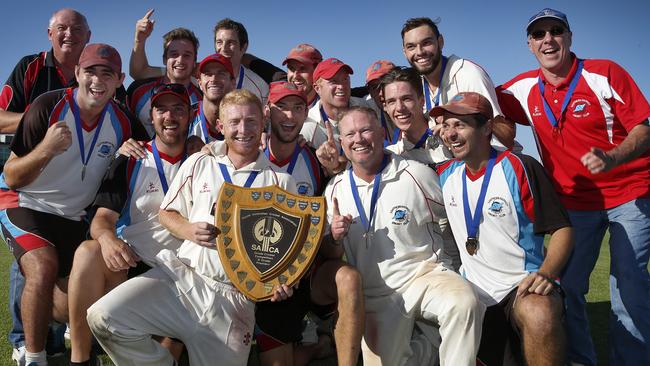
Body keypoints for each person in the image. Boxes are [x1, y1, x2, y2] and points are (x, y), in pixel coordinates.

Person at [86, 89, 294, 365]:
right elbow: (166, 213)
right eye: (234, 122)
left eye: (251, 121)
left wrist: (284, 281)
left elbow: (288, 251)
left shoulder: (281, 182)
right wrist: (187, 230)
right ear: (221, 126)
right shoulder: (200, 162)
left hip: (234, 302)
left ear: (263, 123)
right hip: (184, 281)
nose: (243, 129)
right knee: (103, 316)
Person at [496, 8, 650, 365]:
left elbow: (644, 128)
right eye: (539, 34)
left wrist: (612, 157)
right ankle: (582, 360)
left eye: (556, 31)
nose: (548, 39)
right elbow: (480, 98)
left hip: (629, 192)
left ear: (569, 37)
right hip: (575, 203)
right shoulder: (521, 88)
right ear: (530, 45)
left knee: (627, 287)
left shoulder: (604, 73)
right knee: (568, 289)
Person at [0, 43, 143, 366]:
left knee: (69, 305)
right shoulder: (46, 106)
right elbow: (11, 176)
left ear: (119, 80)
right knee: (42, 264)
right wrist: (46, 149)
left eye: (107, 74)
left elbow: (156, 145)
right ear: (77, 73)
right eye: (90, 71)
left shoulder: (123, 121)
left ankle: (46, 318)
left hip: (73, 215)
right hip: (25, 202)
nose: (97, 81)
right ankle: (33, 357)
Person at [324, 106, 484, 365]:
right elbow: (330, 254)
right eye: (350, 134)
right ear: (342, 142)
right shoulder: (336, 189)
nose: (359, 139)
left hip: (424, 276)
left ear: (380, 132)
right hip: (375, 296)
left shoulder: (415, 173)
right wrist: (334, 237)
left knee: (464, 302)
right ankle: (430, 349)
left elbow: (456, 215)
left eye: (366, 130)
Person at [433, 92, 573, 365]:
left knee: (539, 313)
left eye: (460, 125)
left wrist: (546, 273)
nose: (451, 134)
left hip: (521, 285)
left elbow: (562, 229)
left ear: (486, 128)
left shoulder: (520, 167)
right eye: (447, 125)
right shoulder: (443, 174)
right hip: (473, 290)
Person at [67, 83, 191, 366]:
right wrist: (108, 239)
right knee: (88, 251)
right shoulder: (132, 157)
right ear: (152, 115)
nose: (169, 116)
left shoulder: (203, 159)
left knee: (166, 355)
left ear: (189, 115)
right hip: (136, 261)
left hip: (184, 269)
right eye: (162, 109)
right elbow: (102, 218)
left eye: (178, 109)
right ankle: (81, 359)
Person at [0, 9, 92, 363]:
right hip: (27, 180)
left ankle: (55, 334)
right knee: (32, 260)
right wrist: (45, 116)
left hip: (73, 187)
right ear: (50, 32)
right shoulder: (31, 67)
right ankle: (25, 340)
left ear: (88, 35)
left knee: (68, 261)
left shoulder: (93, 74)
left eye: (77, 29)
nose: (69, 34)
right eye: (62, 28)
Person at [250, 81, 363, 366]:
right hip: (261, 280)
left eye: (297, 108)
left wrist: (335, 237)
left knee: (348, 276)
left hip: (306, 276)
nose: (289, 116)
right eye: (282, 108)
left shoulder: (314, 162)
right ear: (267, 112)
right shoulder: (248, 155)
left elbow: (330, 251)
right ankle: (319, 345)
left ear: (306, 114)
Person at [401, 17, 514, 150]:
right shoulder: (418, 85)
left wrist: (459, 122)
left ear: (440, 42)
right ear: (405, 52)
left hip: (491, 162)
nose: (419, 52)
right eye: (411, 47)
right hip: (453, 164)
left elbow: (507, 135)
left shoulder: (468, 74)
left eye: (426, 43)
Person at [130, 12, 268, 104]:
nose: (224, 48)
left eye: (231, 43)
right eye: (219, 42)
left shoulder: (259, 86)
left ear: (244, 47)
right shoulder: (197, 71)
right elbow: (140, 72)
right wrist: (139, 40)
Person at [127, 20, 202, 137]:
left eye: (187, 55)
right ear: (164, 59)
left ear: (194, 62)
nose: (180, 60)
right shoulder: (138, 91)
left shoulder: (201, 100)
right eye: (174, 54)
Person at [301, 58, 371, 149]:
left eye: (345, 79)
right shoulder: (308, 127)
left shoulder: (366, 107)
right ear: (317, 88)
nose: (341, 86)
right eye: (333, 81)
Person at [188, 53, 235, 144]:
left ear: (233, 83)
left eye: (221, 73)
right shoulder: (187, 118)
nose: (213, 79)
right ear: (200, 83)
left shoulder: (242, 117)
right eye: (207, 74)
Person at [364, 60, 398, 146]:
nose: (381, 93)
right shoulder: (366, 109)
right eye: (375, 87)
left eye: (384, 84)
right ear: (370, 92)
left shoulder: (418, 106)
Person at [283, 44, 323, 108]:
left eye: (302, 69)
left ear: (317, 71)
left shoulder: (330, 109)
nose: (296, 76)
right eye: (292, 69)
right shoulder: (275, 106)